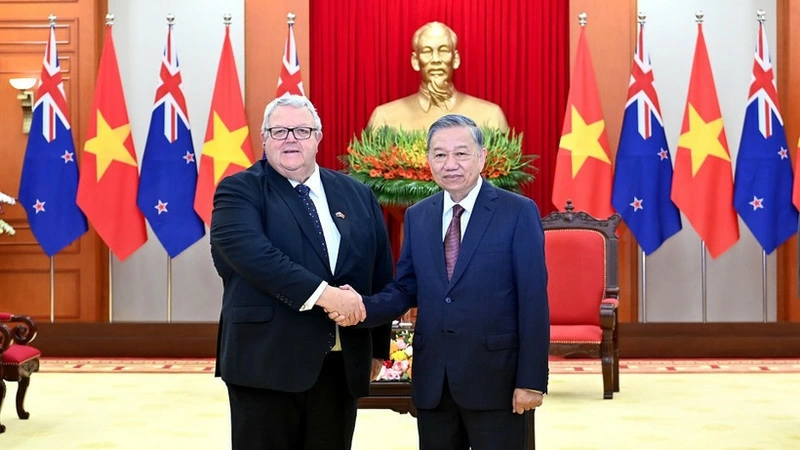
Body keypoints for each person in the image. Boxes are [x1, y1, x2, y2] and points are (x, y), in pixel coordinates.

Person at [334, 114, 549, 450]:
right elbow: (405, 288)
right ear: (428, 161)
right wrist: (361, 306)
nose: (450, 164)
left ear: (482, 157)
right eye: (439, 154)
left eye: (461, 153)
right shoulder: (419, 216)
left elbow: (533, 301)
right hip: (434, 381)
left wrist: (531, 381)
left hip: (497, 380)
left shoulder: (518, 212)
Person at [210, 94, 393, 450]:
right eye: (279, 131)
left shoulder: (357, 193)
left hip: (340, 365)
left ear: (318, 137)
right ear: (263, 138)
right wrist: (328, 296)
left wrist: (377, 348)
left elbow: (378, 271)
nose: (290, 139)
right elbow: (255, 256)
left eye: (301, 130)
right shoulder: (239, 190)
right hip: (265, 363)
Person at [367, 21, 509, 132]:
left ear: (455, 59)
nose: (435, 59)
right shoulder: (384, 118)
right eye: (427, 51)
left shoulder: (490, 116)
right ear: (415, 61)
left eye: (443, 50)